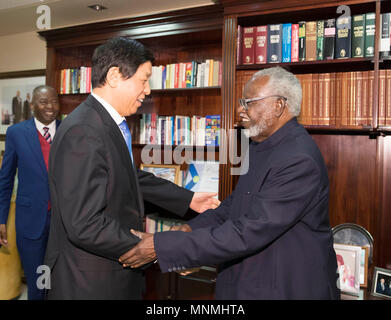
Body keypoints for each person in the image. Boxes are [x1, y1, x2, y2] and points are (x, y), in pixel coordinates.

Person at [120, 66, 341, 300]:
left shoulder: (299, 160)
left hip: (284, 286)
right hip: (250, 279)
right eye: (241, 102)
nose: (240, 110)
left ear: (279, 105)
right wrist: (188, 229)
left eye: (249, 103)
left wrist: (166, 246)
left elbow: (249, 230)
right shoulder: (259, 144)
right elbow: (234, 206)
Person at [44, 37, 219, 300]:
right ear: (115, 76)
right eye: (144, 79)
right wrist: (152, 247)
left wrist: (188, 199)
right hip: (89, 282)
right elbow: (83, 223)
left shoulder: (104, 123)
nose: (148, 90)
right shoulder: (84, 130)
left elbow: (128, 175)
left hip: (111, 274)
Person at [0, 85, 60, 300]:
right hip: (30, 221)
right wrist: (2, 218)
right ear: (33, 105)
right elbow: (5, 180)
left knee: (58, 281)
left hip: (63, 223)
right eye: (43, 102)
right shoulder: (17, 133)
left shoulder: (69, 129)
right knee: (37, 281)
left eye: (54, 101)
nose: (50, 107)